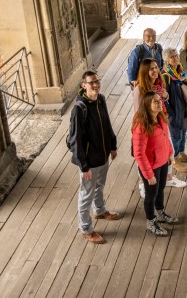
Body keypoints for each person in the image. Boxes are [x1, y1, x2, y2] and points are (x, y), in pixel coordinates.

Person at [68, 71, 121, 244]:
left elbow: (107, 123)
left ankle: (99, 210)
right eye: (91, 83)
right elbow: (76, 141)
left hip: (103, 155)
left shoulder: (101, 99)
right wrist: (84, 166)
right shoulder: (79, 109)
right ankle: (86, 228)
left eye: (97, 81)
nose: (96, 85)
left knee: (100, 185)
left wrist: (112, 145)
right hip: (89, 161)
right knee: (86, 194)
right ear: (84, 85)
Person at [133, 58, 187, 191]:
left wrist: (166, 95)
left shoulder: (158, 83)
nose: (155, 70)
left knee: (168, 149)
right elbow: (138, 112)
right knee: (144, 152)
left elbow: (163, 101)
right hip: (149, 125)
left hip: (162, 121)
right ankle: (142, 182)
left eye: (156, 67)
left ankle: (168, 177)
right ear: (145, 71)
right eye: (151, 68)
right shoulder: (140, 89)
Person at [132, 92, 180, 237]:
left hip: (162, 161)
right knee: (151, 195)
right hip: (150, 167)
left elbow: (166, 138)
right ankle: (151, 221)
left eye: (159, 100)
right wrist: (148, 174)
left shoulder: (160, 118)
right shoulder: (141, 125)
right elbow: (139, 154)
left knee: (160, 189)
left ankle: (160, 213)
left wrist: (169, 154)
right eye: (155, 101)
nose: (159, 103)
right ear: (147, 104)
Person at [162, 47, 187, 172]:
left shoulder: (179, 70)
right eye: (172, 57)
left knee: (183, 132)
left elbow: (185, 88)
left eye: (176, 55)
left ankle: (181, 153)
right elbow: (163, 97)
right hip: (174, 111)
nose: (175, 58)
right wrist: (169, 113)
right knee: (176, 135)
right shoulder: (166, 75)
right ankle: (175, 159)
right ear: (166, 60)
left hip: (183, 107)